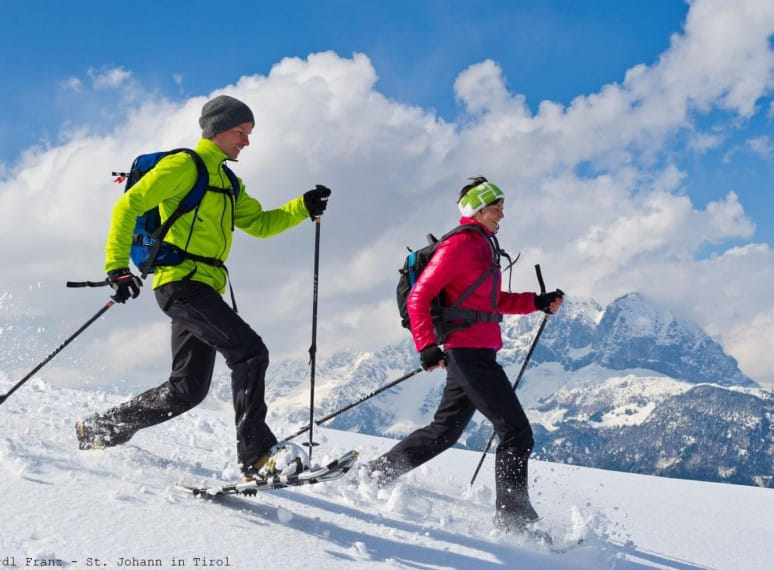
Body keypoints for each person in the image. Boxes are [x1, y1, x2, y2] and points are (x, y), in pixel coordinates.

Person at [75, 94, 332, 479]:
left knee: (188, 389)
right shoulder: (184, 166)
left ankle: (98, 429)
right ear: (218, 130)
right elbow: (127, 206)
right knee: (249, 352)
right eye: (240, 132)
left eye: (248, 134)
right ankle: (258, 457)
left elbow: (261, 224)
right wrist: (117, 268)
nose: (246, 142)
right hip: (180, 284)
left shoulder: (228, 181)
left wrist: (302, 206)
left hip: (204, 288)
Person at [366, 177, 563, 532]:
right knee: (516, 432)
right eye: (497, 206)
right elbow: (419, 297)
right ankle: (514, 521)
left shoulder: (484, 247)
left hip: (479, 352)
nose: (503, 213)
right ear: (478, 208)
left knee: (444, 432)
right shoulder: (460, 246)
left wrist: (536, 302)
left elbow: (493, 302)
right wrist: (426, 346)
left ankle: (373, 475)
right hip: (466, 352)